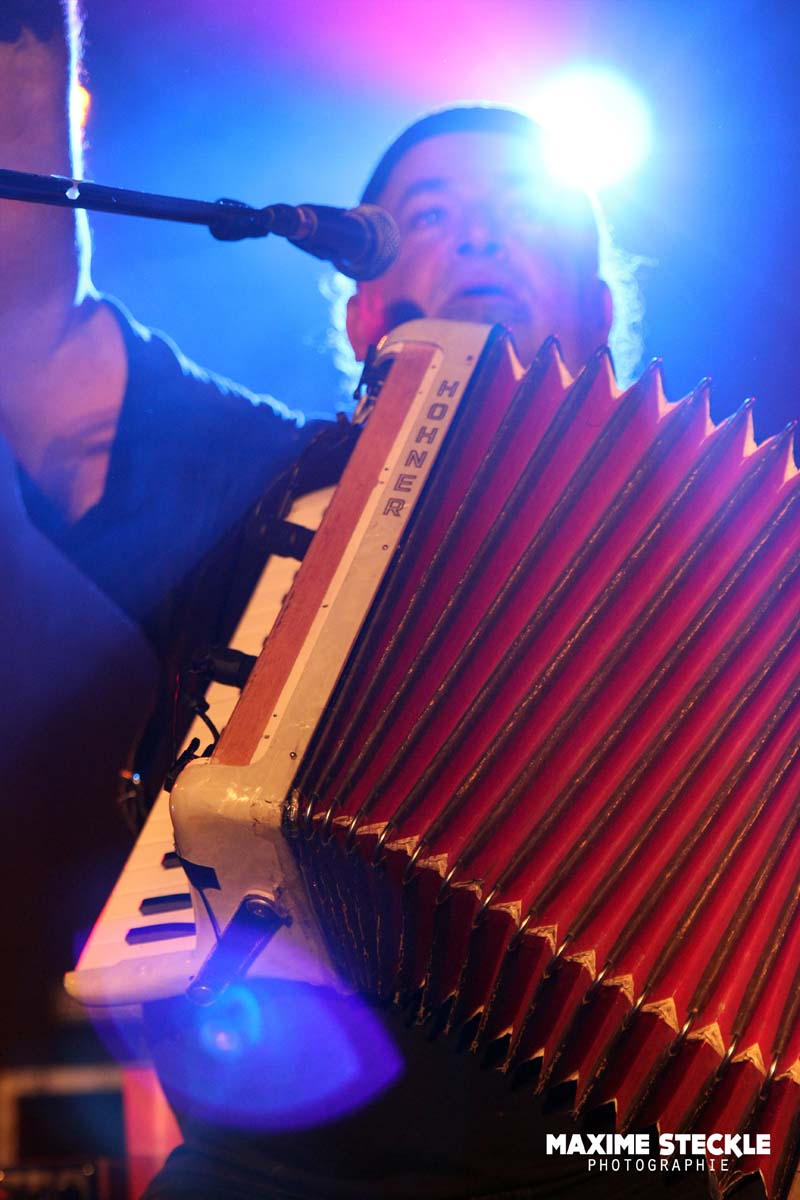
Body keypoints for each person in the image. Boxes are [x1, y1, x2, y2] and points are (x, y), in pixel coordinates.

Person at [0, 0, 340, 1061]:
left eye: (526, 214)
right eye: (427, 210)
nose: (479, 233)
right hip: (311, 1101)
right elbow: (27, 332)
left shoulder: (722, 538)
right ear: (363, 309)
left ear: (601, 307)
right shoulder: (279, 480)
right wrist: (25, 51)